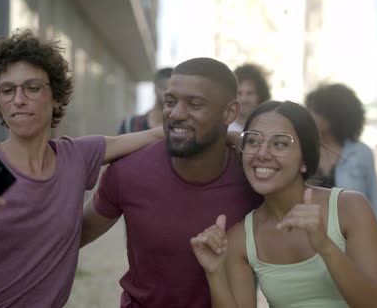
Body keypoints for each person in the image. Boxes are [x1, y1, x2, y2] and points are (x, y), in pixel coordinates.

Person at [0, 30, 163, 308]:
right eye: (7, 90)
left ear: (57, 97)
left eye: (32, 88)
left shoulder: (77, 157)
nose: (18, 99)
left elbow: (151, 137)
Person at [81, 57, 262, 307]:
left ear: (230, 112)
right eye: (170, 102)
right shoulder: (128, 171)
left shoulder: (254, 179)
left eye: (195, 104)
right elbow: (76, 235)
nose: (176, 114)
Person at [191, 100, 377, 307]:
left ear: (305, 159)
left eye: (279, 143)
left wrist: (325, 246)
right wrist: (215, 273)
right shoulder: (240, 238)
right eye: (253, 141)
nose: (262, 153)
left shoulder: (350, 208)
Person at [304, 83, 377, 225]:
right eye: (309, 110)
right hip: (308, 238)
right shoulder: (303, 150)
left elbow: (375, 209)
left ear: (334, 117)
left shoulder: (361, 153)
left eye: (316, 112)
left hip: (351, 239)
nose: (310, 116)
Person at [117, 67, 173, 134]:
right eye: (168, 90)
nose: (173, 96)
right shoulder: (129, 125)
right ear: (156, 89)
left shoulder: (179, 128)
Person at [229, 63, 271, 132]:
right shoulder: (222, 129)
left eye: (250, 93)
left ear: (260, 95)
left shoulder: (268, 128)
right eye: (239, 93)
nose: (244, 99)